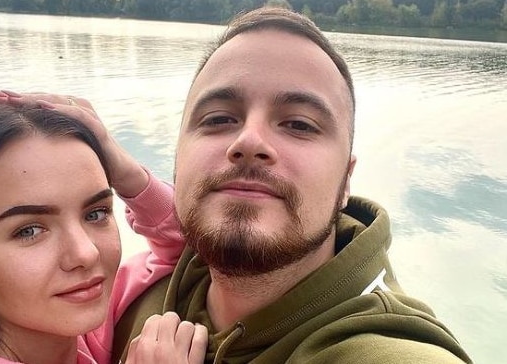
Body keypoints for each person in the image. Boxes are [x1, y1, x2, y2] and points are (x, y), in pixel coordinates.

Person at [103, 7, 471, 364]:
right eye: (218, 118)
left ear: (345, 181)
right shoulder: (127, 292)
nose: (249, 141)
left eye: (299, 124)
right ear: (178, 161)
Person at [0, 103, 207, 364]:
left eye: (96, 213)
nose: (86, 253)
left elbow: (198, 243)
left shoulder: (86, 333)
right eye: (29, 231)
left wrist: (129, 176)